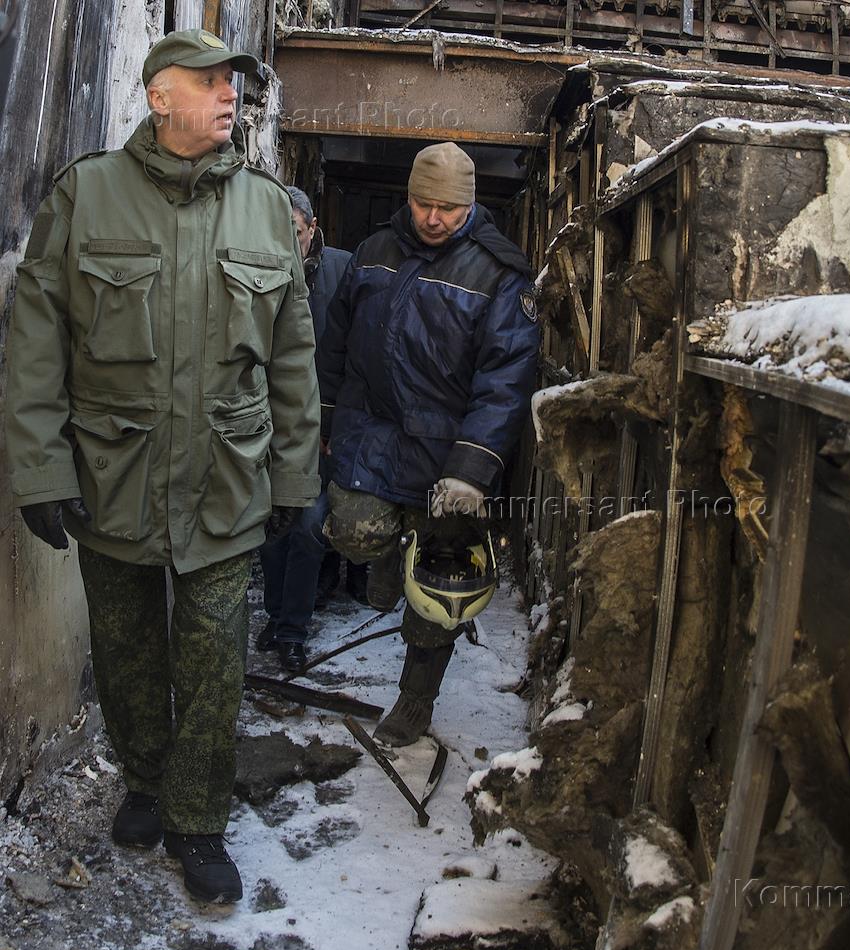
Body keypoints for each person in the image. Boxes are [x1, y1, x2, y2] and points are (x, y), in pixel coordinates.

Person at [4, 29, 320, 904]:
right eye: (210, 82)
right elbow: (35, 346)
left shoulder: (263, 207)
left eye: (235, 84)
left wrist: (294, 476)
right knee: (128, 649)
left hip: (226, 476)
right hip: (115, 475)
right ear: (157, 95)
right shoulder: (87, 196)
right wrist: (41, 471)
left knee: (216, 653)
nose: (230, 97)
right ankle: (145, 776)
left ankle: (198, 820)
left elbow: (293, 357)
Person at [317, 142, 539, 747]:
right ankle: (389, 556)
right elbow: (335, 344)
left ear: (470, 206)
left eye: (447, 208)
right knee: (353, 532)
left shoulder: (499, 272)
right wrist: (329, 420)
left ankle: (415, 699)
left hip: (448, 450)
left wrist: (473, 468)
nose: (433, 219)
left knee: (439, 586)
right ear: (407, 199)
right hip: (374, 433)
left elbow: (506, 379)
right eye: (422, 204)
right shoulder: (374, 252)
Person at [255, 186, 352, 672]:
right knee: (272, 527)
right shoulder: (260, 272)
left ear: (312, 230)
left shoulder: (345, 272)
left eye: (292, 232)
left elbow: (361, 355)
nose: (285, 243)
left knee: (310, 526)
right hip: (269, 426)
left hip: (323, 428)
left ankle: (293, 628)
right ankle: (276, 617)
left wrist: (340, 422)